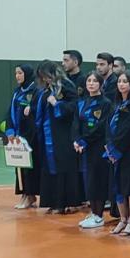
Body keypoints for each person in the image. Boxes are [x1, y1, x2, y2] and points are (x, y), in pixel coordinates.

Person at [35, 61, 83, 214]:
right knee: (50, 167)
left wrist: (57, 104)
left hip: (63, 133)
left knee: (64, 166)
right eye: (43, 77)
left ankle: (68, 202)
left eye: (47, 76)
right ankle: (54, 201)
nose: (45, 79)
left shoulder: (65, 85)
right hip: (48, 133)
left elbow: (75, 106)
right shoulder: (46, 89)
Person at [73, 72, 113, 229]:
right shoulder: (82, 102)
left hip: (98, 146)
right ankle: (93, 212)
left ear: (100, 84)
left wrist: (85, 140)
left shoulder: (106, 103)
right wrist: (76, 140)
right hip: (84, 148)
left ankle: (99, 215)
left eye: (95, 81)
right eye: (89, 80)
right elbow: (76, 123)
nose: (91, 83)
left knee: (98, 180)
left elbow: (101, 126)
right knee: (89, 180)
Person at [106, 70, 130, 236]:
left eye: (125, 81)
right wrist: (109, 147)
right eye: (119, 81)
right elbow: (108, 127)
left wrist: (116, 149)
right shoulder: (115, 104)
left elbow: (128, 130)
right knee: (118, 185)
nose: (121, 84)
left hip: (128, 151)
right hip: (113, 151)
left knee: (129, 186)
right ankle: (122, 218)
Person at [6, 64, 39, 209]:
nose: (17, 76)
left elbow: (37, 112)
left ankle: (30, 195)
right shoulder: (17, 92)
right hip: (17, 135)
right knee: (19, 166)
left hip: (30, 136)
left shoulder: (35, 90)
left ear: (27, 74)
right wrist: (10, 131)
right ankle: (24, 194)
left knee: (29, 168)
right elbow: (10, 112)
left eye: (20, 73)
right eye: (16, 73)